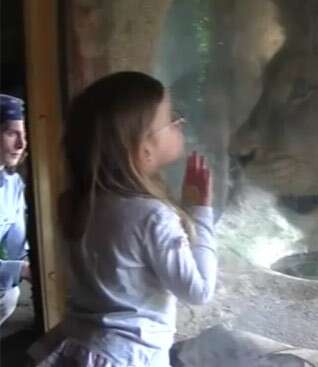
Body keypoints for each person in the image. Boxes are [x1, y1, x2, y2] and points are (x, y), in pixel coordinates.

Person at [27, 72, 217, 366]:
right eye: (172, 119)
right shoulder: (152, 216)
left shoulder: (77, 202)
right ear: (144, 149)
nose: (180, 124)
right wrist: (201, 212)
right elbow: (198, 291)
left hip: (79, 346)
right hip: (129, 356)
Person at [0, 93, 30, 326]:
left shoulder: (13, 185)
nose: (21, 145)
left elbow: (16, 245)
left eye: (24, 135)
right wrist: (20, 269)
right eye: (11, 134)